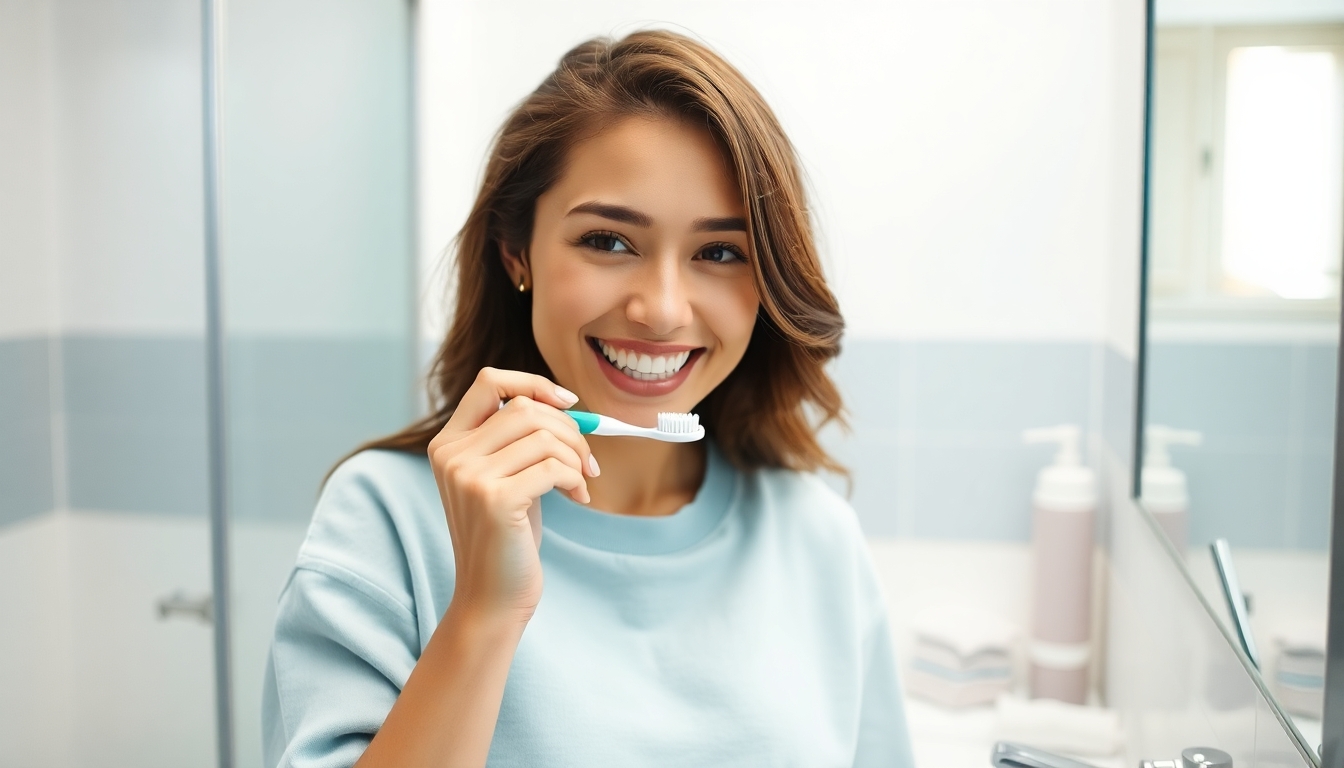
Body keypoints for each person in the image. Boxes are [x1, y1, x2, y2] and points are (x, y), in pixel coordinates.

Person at [262, 29, 913, 768]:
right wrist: (483, 612)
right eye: (608, 241)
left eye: (720, 252)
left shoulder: (817, 538)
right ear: (517, 253)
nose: (663, 309)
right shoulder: (385, 521)